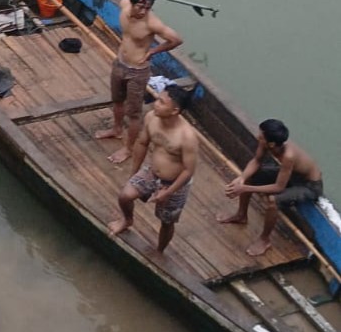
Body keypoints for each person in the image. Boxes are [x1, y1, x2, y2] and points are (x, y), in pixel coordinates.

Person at [95, 0, 183, 163]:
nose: (143, 11)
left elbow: (176, 40)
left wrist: (153, 51)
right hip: (119, 63)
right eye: (140, 6)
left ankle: (128, 148)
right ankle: (117, 129)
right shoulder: (125, 4)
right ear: (132, 2)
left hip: (137, 71)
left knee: (134, 112)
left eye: (147, 8)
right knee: (117, 100)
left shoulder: (152, 23)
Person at [108, 85, 198, 253]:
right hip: (151, 171)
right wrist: (133, 172)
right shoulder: (151, 117)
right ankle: (127, 220)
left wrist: (169, 192)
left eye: (162, 102)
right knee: (125, 196)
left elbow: (188, 170)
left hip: (174, 183)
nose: (156, 104)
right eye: (158, 99)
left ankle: (160, 250)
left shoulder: (187, 137)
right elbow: (142, 143)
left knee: (166, 221)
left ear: (174, 110)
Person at [218, 119, 323, 256]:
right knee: (250, 176)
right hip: (289, 174)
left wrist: (245, 189)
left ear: (271, 143)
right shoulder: (266, 143)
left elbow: (279, 187)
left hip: (308, 185)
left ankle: (264, 239)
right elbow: (256, 161)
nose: (258, 137)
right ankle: (241, 215)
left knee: (273, 201)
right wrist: (242, 179)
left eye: (261, 137)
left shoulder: (288, 156)